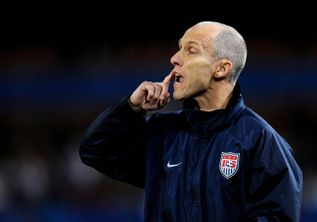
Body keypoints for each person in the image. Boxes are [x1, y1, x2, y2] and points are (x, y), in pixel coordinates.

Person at [79, 21, 303, 221]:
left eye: (191, 51)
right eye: (179, 49)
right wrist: (129, 109)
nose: (174, 58)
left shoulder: (260, 140)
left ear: (222, 68)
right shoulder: (163, 134)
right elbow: (95, 151)